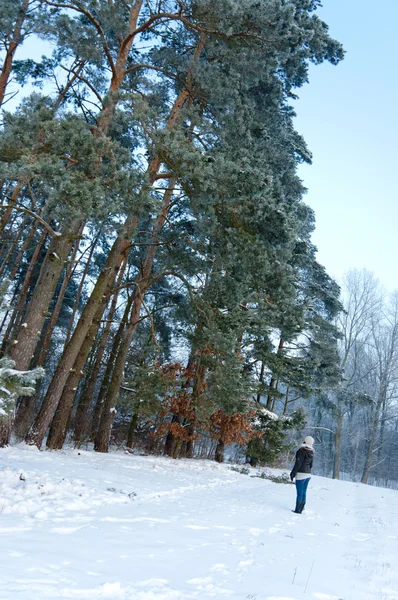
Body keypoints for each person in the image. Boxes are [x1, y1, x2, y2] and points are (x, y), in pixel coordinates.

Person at [290, 436, 314, 514]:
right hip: (308, 474)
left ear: (305, 441)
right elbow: (311, 464)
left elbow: (298, 463)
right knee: (304, 492)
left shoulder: (301, 450)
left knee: (299, 493)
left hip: (301, 474)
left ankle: (298, 510)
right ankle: (302, 507)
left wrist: (293, 473)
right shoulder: (311, 451)